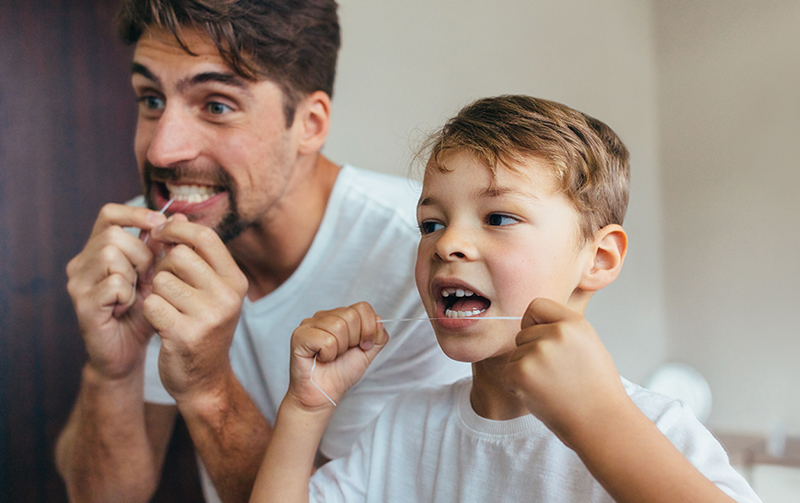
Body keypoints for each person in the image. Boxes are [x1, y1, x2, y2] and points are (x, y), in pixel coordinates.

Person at [250, 95, 762, 503]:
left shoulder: (656, 427)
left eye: (498, 218)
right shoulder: (406, 428)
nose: (446, 243)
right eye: (430, 224)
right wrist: (305, 408)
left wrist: (598, 419)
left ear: (600, 259)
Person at [54, 1, 468, 502]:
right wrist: (111, 371)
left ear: (309, 124)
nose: (162, 151)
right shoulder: (146, 238)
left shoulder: (427, 260)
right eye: (151, 99)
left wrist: (208, 389)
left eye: (217, 105)